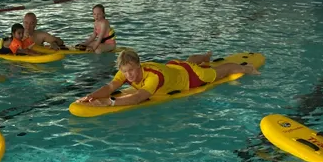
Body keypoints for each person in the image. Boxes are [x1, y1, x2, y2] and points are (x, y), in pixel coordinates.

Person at [77, 49, 259, 107]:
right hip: (173, 66)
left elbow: (139, 97)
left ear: (139, 66)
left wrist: (110, 103)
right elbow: (110, 87)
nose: (128, 75)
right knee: (188, 61)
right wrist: (91, 96)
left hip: (191, 76)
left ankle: (247, 68)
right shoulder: (124, 70)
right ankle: (204, 57)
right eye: (125, 72)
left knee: (221, 71)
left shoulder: (153, 77)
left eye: (131, 70)